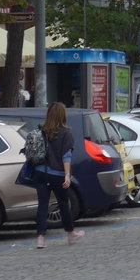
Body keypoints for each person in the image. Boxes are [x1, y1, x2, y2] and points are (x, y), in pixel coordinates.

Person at [33, 103, 85, 249]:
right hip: (56, 173)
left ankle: (40, 238)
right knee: (63, 203)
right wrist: (67, 175)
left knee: (42, 204)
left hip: (40, 172)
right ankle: (70, 233)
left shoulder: (41, 131)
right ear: (63, 115)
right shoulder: (65, 133)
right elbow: (66, 156)